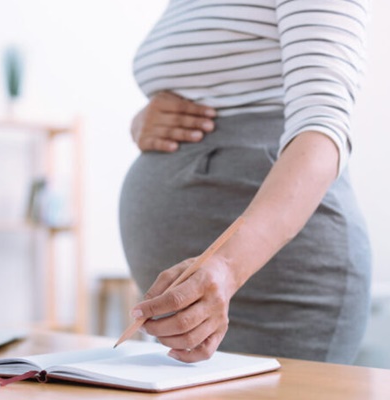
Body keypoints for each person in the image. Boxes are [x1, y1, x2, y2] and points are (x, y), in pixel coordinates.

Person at [119, 0, 371, 364]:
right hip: (202, 297)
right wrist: (142, 123)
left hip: (280, 283)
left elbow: (323, 127)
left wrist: (226, 266)